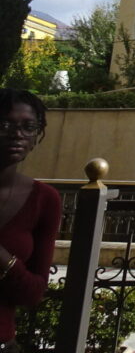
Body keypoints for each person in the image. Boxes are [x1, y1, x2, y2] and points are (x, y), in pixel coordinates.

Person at [0, 88, 61, 349]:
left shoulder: (44, 199)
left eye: (28, 127)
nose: (17, 134)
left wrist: (3, 259)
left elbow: (34, 293)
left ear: (36, 137)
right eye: (5, 125)